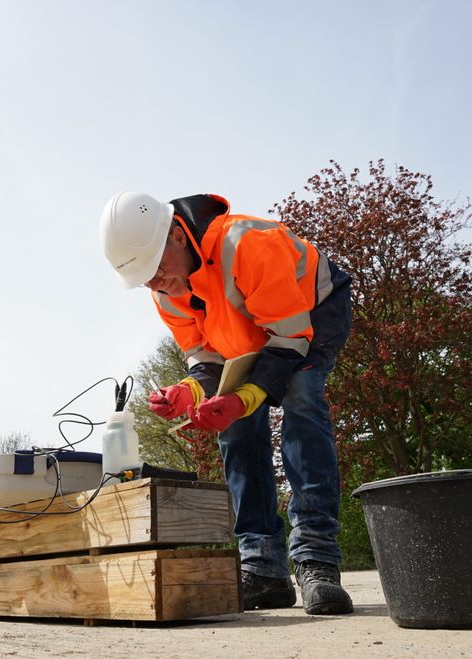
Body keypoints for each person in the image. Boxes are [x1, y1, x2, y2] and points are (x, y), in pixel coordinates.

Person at [99, 191, 354, 615]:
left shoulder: (248, 245)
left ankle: (317, 558)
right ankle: (263, 567)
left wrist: (248, 397)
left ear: (178, 236)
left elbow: (289, 340)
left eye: (156, 269)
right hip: (255, 336)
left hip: (311, 313)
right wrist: (190, 391)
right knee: (234, 428)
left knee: (301, 395)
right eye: (143, 278)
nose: (154, 283)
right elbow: (206, 359)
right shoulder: (164, 291)